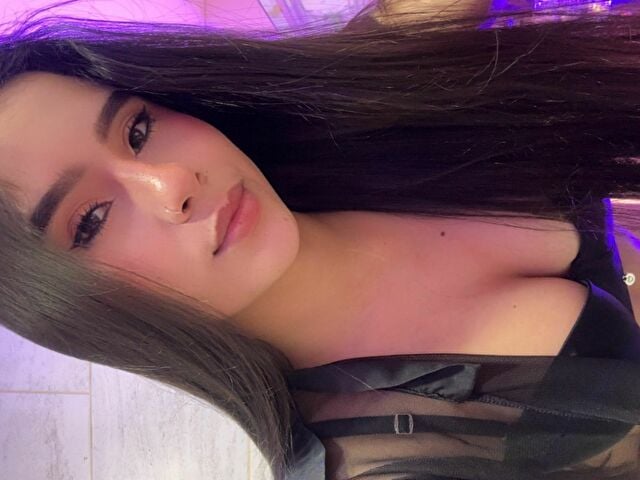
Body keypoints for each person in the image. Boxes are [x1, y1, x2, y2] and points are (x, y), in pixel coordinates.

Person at [1, 0, 640, 478]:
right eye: (91, 219)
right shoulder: (387, 459)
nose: (173, 182)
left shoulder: (342, 104)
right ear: (76, 306)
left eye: (137, 131)